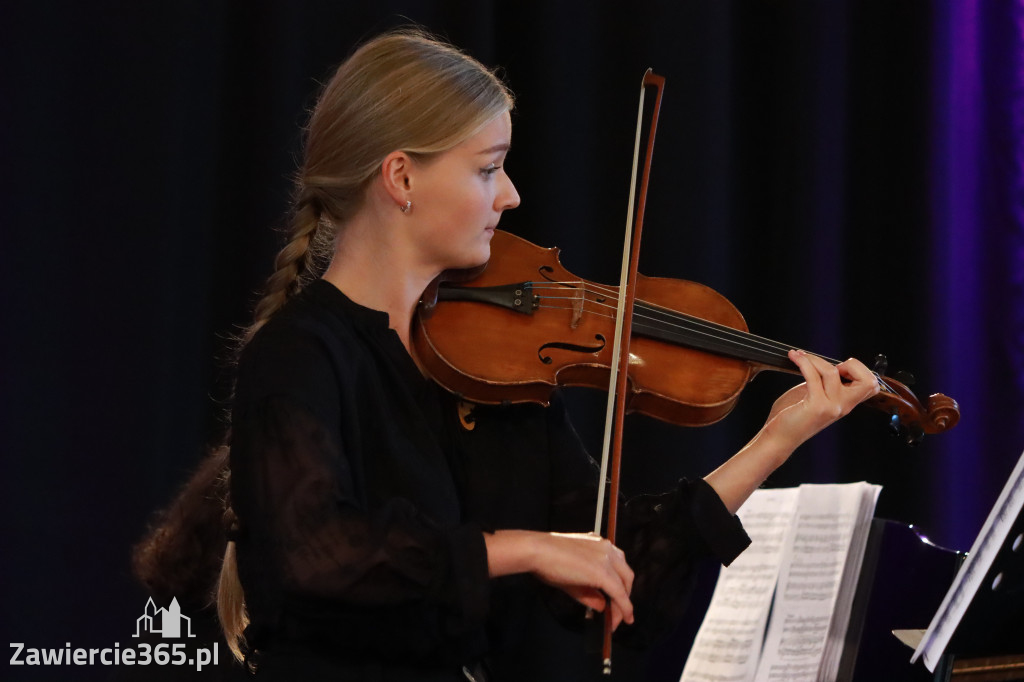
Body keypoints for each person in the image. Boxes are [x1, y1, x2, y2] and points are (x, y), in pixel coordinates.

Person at [162, 29, 879, 682]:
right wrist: (522, 550)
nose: (511, 195)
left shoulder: (493, 367)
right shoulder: (301, 354)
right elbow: (317, 554)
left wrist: (777, 438)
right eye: (487, 169)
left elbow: (613, 559)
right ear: (401, 178)